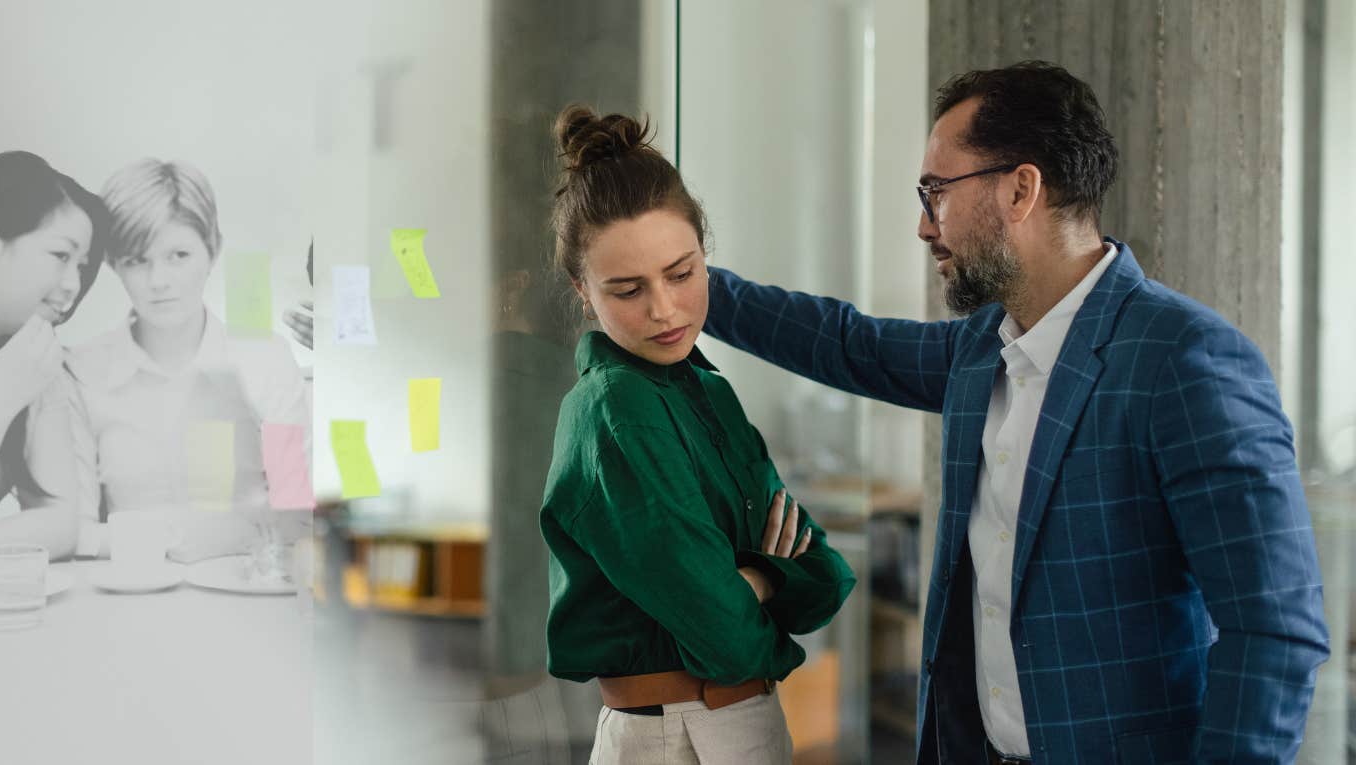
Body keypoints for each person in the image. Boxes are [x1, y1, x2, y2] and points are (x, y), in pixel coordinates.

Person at [701, 61, 1329, 764]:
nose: (922, 224)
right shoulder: (982, 350)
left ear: (1020, 189)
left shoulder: (1184, 361)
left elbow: (1275, 631)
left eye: (935, 191)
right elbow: (850, 344)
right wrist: (686, 284)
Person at [539, 106, 857, 765]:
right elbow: (726, 634)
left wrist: (757, 578)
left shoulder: (705, 388)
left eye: (681, 274)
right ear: (582, 289)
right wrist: (771, 582)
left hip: (741, 718)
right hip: (676, 731)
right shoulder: (616, 408)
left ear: (706, 255)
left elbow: (826, 572)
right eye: (627, 289)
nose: (663, 309)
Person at [65, 158, 310, 558]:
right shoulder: (82, 371)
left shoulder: (265, 359)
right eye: (136, 261)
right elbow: (74, 534)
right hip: (126, 600)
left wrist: (148, 536)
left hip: (247, 601)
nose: (158, 280)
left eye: (178, 255)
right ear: (113, 264)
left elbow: (298, 514)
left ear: (213, 251)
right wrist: (209, 533)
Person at [0, 150, 108, 559]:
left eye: (82, 266)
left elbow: (60, 526)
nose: (73, 285)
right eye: (61, 256)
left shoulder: (34, 358)